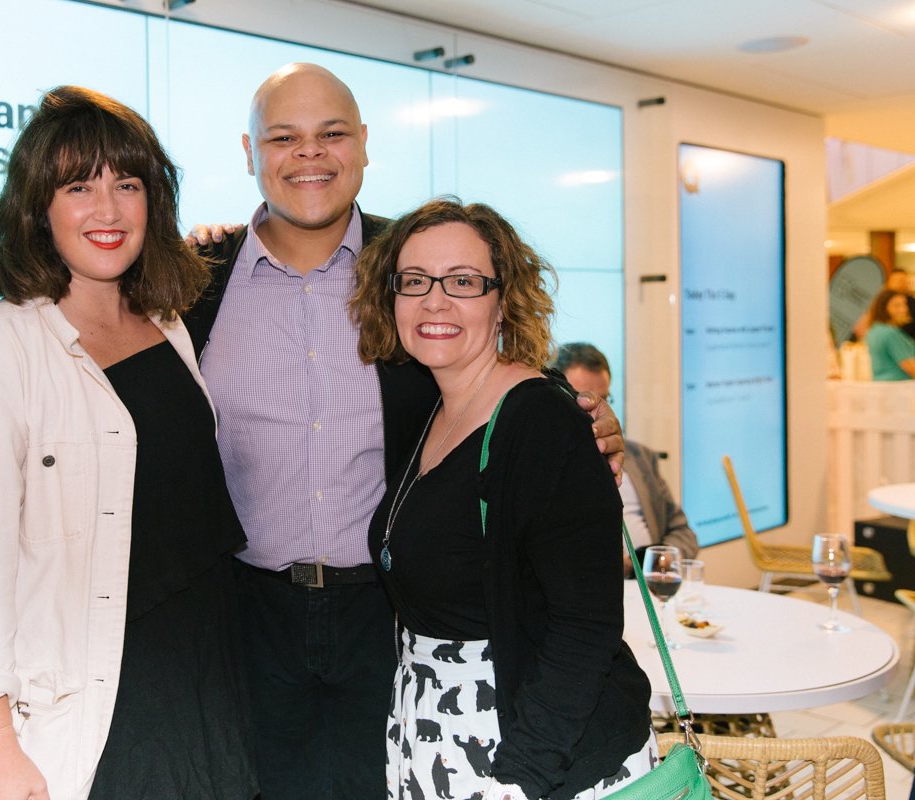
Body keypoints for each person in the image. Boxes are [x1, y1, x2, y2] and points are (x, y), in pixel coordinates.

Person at [184, 63, 627, 800]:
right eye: (284, 137)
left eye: (331, 134)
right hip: (249, 615)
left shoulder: (412, 266)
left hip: (394, 613)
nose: (310, 155)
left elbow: (499, 377)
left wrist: (585, 420)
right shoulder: (197, 276)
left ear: (362, 145)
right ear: (249, 150)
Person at [0, 86, 256, 800]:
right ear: (39, 207)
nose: (108, 210)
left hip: (204, 680)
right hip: (93, 708)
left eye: (127, 184)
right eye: (78, 186)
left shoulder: (168, 323)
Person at [349, 197, 653, 800]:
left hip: (531, 756)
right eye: (414, 282)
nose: (435, 301)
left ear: (503, 297)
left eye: (463, 281)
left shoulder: (540, 418)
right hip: (440, 738)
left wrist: (522, 778)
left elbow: (584, 625)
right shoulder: (433, 406)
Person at [554, 342, 699, 576]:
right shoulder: (548, 471)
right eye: (582, 401)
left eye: (603, 400)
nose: (595, 414)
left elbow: (683, 532)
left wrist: (650, 563)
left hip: (650, 585)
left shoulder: (640, 457)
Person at [864, 288, 915, 380]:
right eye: (897, 306)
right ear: (884, 308)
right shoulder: (890, 333)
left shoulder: (875, 330)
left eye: (904, 305)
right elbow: (910, 366)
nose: (904, 309)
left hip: (882, 386)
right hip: (897, 388)